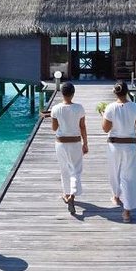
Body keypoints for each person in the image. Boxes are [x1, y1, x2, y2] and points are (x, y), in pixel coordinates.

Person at [102, 80, 136, 223]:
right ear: (127, 92)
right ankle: (127, 211)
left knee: (114, 173)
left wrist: (103, 115)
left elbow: (105, 129)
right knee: (129, 177)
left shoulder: (110, 108)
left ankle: (116, 196)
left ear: (115, 93)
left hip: (114, 146)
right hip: (130, 145)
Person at [50, 82, 88, 214]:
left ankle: (66, 194)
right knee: (76, 170)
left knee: (64, 169)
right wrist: (85, 143)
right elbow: (82, 127)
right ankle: (72, 195)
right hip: (75, 142)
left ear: (62, 93)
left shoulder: (55, 108)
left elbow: (54, 128)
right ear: (73, 94)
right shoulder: (79, 108)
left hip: (61, 143)